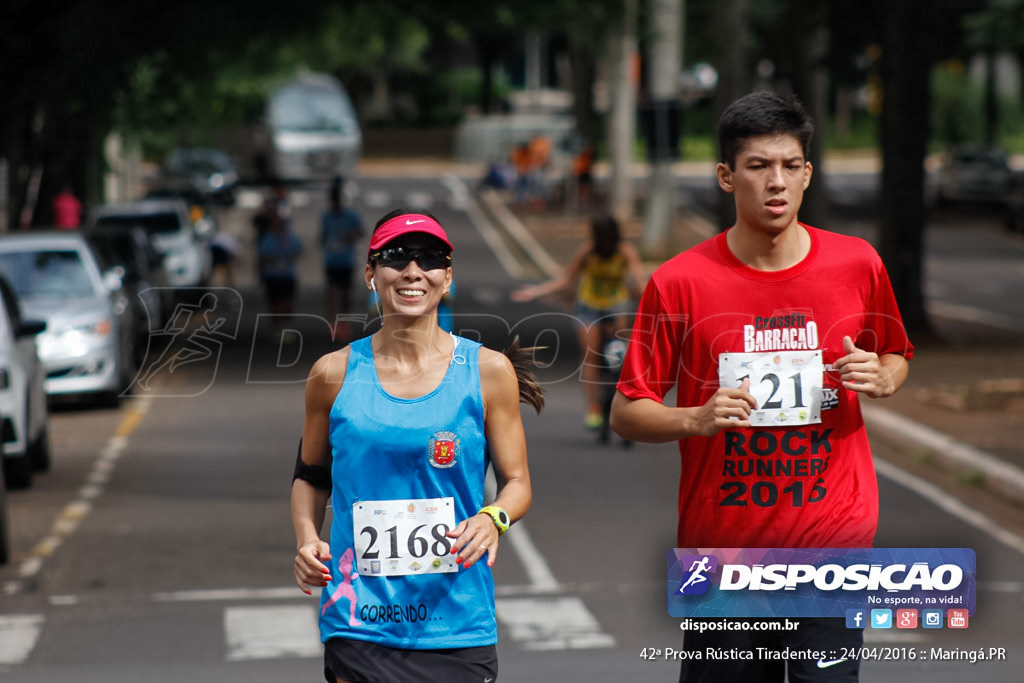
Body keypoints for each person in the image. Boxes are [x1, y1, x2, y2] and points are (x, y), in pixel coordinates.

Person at [609, 91, 914, 682]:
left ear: (807, 174)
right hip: (724, 553)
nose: (776, 182)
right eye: (758, 166)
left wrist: (885, 377)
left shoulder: (858, 264)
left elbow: (896, 352)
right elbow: (627, 410)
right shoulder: (679, 283)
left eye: (790, 166)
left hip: (834, 545)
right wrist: (695, 418)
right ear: (726, 176)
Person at [291, 208, 544, 683]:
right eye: (396, 257)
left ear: (446, 278)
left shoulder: (487, 372)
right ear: (371, 274)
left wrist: (494, 519)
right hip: (359, 619)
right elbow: (309, 476)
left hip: (456, 624)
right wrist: (307, 538)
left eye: (429, 259)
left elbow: (517, 483)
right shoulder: (332, 374)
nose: (413, 270)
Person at [512, 214, 645, 430]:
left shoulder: (625, 252)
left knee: (621, 352)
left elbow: (639, 283)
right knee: (590, 356)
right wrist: (534, 292)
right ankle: (593, 408)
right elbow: (566, 280)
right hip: (589, 308)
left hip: (616, 306)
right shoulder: (587, 252)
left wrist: (654, 301)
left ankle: (622, 392)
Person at [320, 178, 363, 340]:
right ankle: (333, 324)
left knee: (345, 295)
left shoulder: (350, 216)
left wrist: (349, 236)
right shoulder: (326, 217)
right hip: (332, 260)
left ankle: (344, 324)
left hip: (346, 260)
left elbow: (360, 232)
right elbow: (322, 237)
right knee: (332, 293)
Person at [257, 206, 302, 337]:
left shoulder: (290, 238)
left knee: (287, 303)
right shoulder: (268, 239)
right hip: (273, 276)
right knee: (275, 304)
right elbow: (263, 256)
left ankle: (287, 328)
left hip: (287, 275)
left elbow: (299, 250)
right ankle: (277, 328)